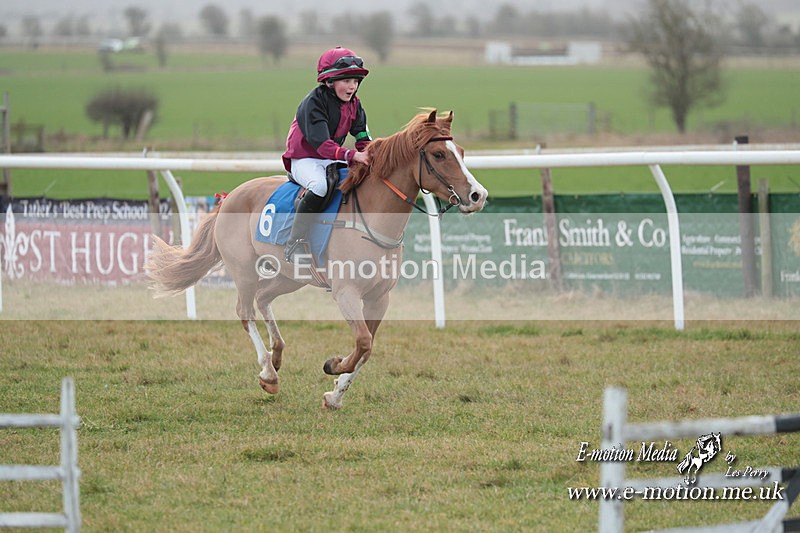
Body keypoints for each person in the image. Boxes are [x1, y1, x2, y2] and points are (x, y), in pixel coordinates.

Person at [282, 46, 372, 262]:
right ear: (330, 81)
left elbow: (363, 137)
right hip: (304, 158)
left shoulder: (355, 104)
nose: (352, 86)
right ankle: (294, 243)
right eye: (346, 80)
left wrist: (371, 154)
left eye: (355, 81)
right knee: (320, 186)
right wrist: (353, 155)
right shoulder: (314, 103)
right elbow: (322, 145)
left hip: (330, 159)